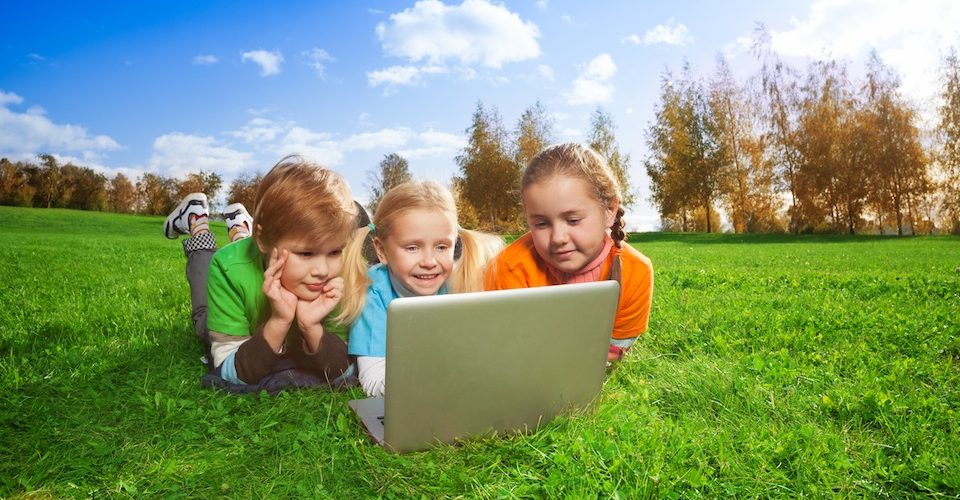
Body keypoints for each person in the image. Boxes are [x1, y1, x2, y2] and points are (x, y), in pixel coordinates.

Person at [164, 155, 362, 393]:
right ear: (263, 240)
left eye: (334, 251)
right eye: (306, 253)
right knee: (202, 322)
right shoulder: (229, 269)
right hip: (238, 263)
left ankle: (240, 227)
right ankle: (196, 221)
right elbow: (229, 370)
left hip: (260, 246)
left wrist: (312, 327)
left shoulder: (339, 275)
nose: (323, 271)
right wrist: (279, 322)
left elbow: (345, 369)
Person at [483, 143, 654, 364]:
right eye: (542, 224)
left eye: (573, 220)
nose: (558, 238)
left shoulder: (635, 271)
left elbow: (614, 354)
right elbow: (507, 350)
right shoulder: (507, 268)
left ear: (609, 211)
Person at [337, 180, 503, 397]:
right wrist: (429, 376)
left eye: (442, 247)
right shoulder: (372, 293)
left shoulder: (459, 281)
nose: (429, 261)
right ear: (381, 251)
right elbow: (372, 381)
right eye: (412, 248)